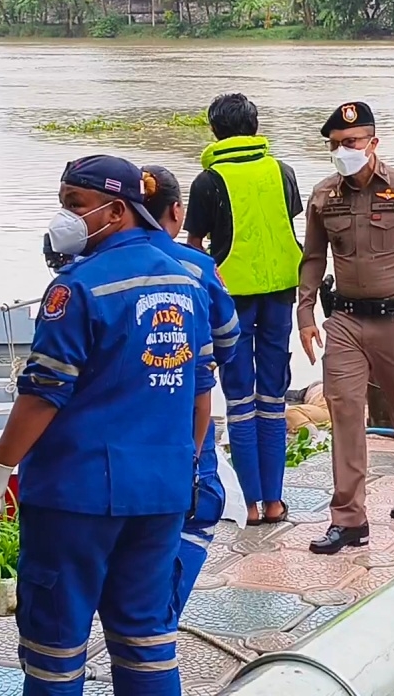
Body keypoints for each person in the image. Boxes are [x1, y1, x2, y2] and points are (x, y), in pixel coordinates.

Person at [0, 155, 211, 696]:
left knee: (55, 646)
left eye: (76, 207)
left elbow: (42, 395)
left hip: (76, 496)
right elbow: (201, 393)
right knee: (147, 639)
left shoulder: (75, 288)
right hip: (161, 493)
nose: (66, 220)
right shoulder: (187, 277)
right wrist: (186, 466)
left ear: (118, 210)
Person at [298, 101, 394, 555]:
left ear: (373, 143)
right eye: (336, 145)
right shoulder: (325, 196)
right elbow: (312, 259)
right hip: (344, 320)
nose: (344, 150)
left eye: (351, 142)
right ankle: (348, 519)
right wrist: (305, 313)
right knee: (345, 412)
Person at [185, 93, 304, 527]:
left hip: (231, 301)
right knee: (272, 398)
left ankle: (252, 506)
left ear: (214, 131)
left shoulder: (208, 181)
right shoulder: (283, 171)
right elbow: (288, 224)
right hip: (281, 297)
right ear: (255, 127)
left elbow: (195, 249)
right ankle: (275, 501)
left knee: (239, 400)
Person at [139, 164, 243, 607]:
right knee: (198, 507)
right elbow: (229, 340)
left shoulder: (91, 267)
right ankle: (161, 615)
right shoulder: (198, 267)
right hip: (184, 415)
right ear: (176, 213)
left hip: (121, 426)